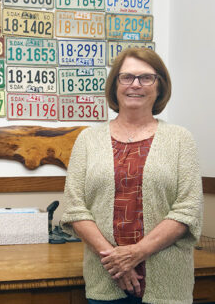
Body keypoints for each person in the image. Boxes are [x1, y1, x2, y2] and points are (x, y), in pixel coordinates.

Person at [61, 47, 203, 304]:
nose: (135, 85)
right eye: (126, 77)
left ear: (159, 86)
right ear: (115, 85)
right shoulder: (87, 140)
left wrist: (136, 253)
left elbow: (188, 210)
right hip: (106, 277)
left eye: (146, 77)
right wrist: (117, 261)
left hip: (168, 283)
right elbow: (74, 208)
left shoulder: (181, 140)